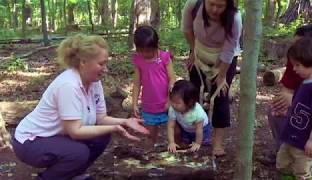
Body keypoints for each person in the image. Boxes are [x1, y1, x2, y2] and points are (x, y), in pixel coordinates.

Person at [11, 34, 149, 180]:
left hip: (56, 137)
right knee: (78, 153)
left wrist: (124, 122)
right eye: (101, 64)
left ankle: (72, 174)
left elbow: (101, 118)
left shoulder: (94, 82)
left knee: (101, 137)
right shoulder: (69, 85)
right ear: (83, 62)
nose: (105, 69)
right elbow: (75, 132)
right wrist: (114, 128)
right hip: (30, 142)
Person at [181, 0, 242, 156]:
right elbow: (187, 30)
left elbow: (229, 48)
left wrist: (222, 76)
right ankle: (193, 136)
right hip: (199, 51)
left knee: (220, 97)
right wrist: (193, 52)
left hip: (224, 58)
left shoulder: (235, 18)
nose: (215, 9)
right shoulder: (192, 6)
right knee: (193, 94)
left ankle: (217, 143)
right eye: (211, 4)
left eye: (220, 6)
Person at [268, 25, 312, 174]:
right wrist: (286, 105)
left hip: (310, 130)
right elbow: (288, 90)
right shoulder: (297, 66)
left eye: (299, 44)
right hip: (298, 122)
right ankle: (286, 151)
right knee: (273, 111)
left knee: (302, 172)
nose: (294, 67)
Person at [131, 25, 176, 151]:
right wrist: (134, 103)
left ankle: (178, 155)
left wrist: (169, 99)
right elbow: (137, 83)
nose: (146, 54)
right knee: (149, 135)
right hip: (149, 106)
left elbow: (172, 79)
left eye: (149, 50)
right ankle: (148, 157)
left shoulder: (164, 57)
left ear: (156, 45)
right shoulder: (138, 60)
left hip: (167, 104)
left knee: (175, 131)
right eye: (142, 50)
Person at [167, 80, 212, 153]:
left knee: (201, 147)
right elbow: (170, 127)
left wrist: (198, 143)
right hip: (186, 128)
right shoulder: (173, 109)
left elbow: (199, 129)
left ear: (189, 102)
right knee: (187, 146)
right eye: (172, 101)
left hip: (202, 129)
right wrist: (171, 142)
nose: (174, 105)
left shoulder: (197, 112)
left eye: (177, 103)